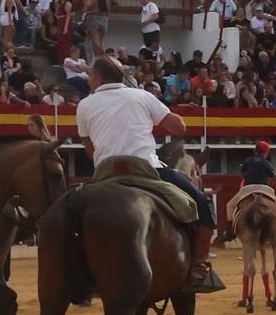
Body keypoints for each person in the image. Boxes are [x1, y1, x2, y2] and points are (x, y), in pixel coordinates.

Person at [76, 56, 227, 292]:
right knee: (203, 203)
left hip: (105, 174)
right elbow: (179, 128)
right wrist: (151, 106)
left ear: (99, 78)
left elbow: (90, 150)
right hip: (147, 169)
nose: (89, 81)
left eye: (91, 76)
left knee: (73, 216)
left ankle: (79, 274)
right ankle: (198, 266)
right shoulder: (142, 96)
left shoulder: (84, 105)